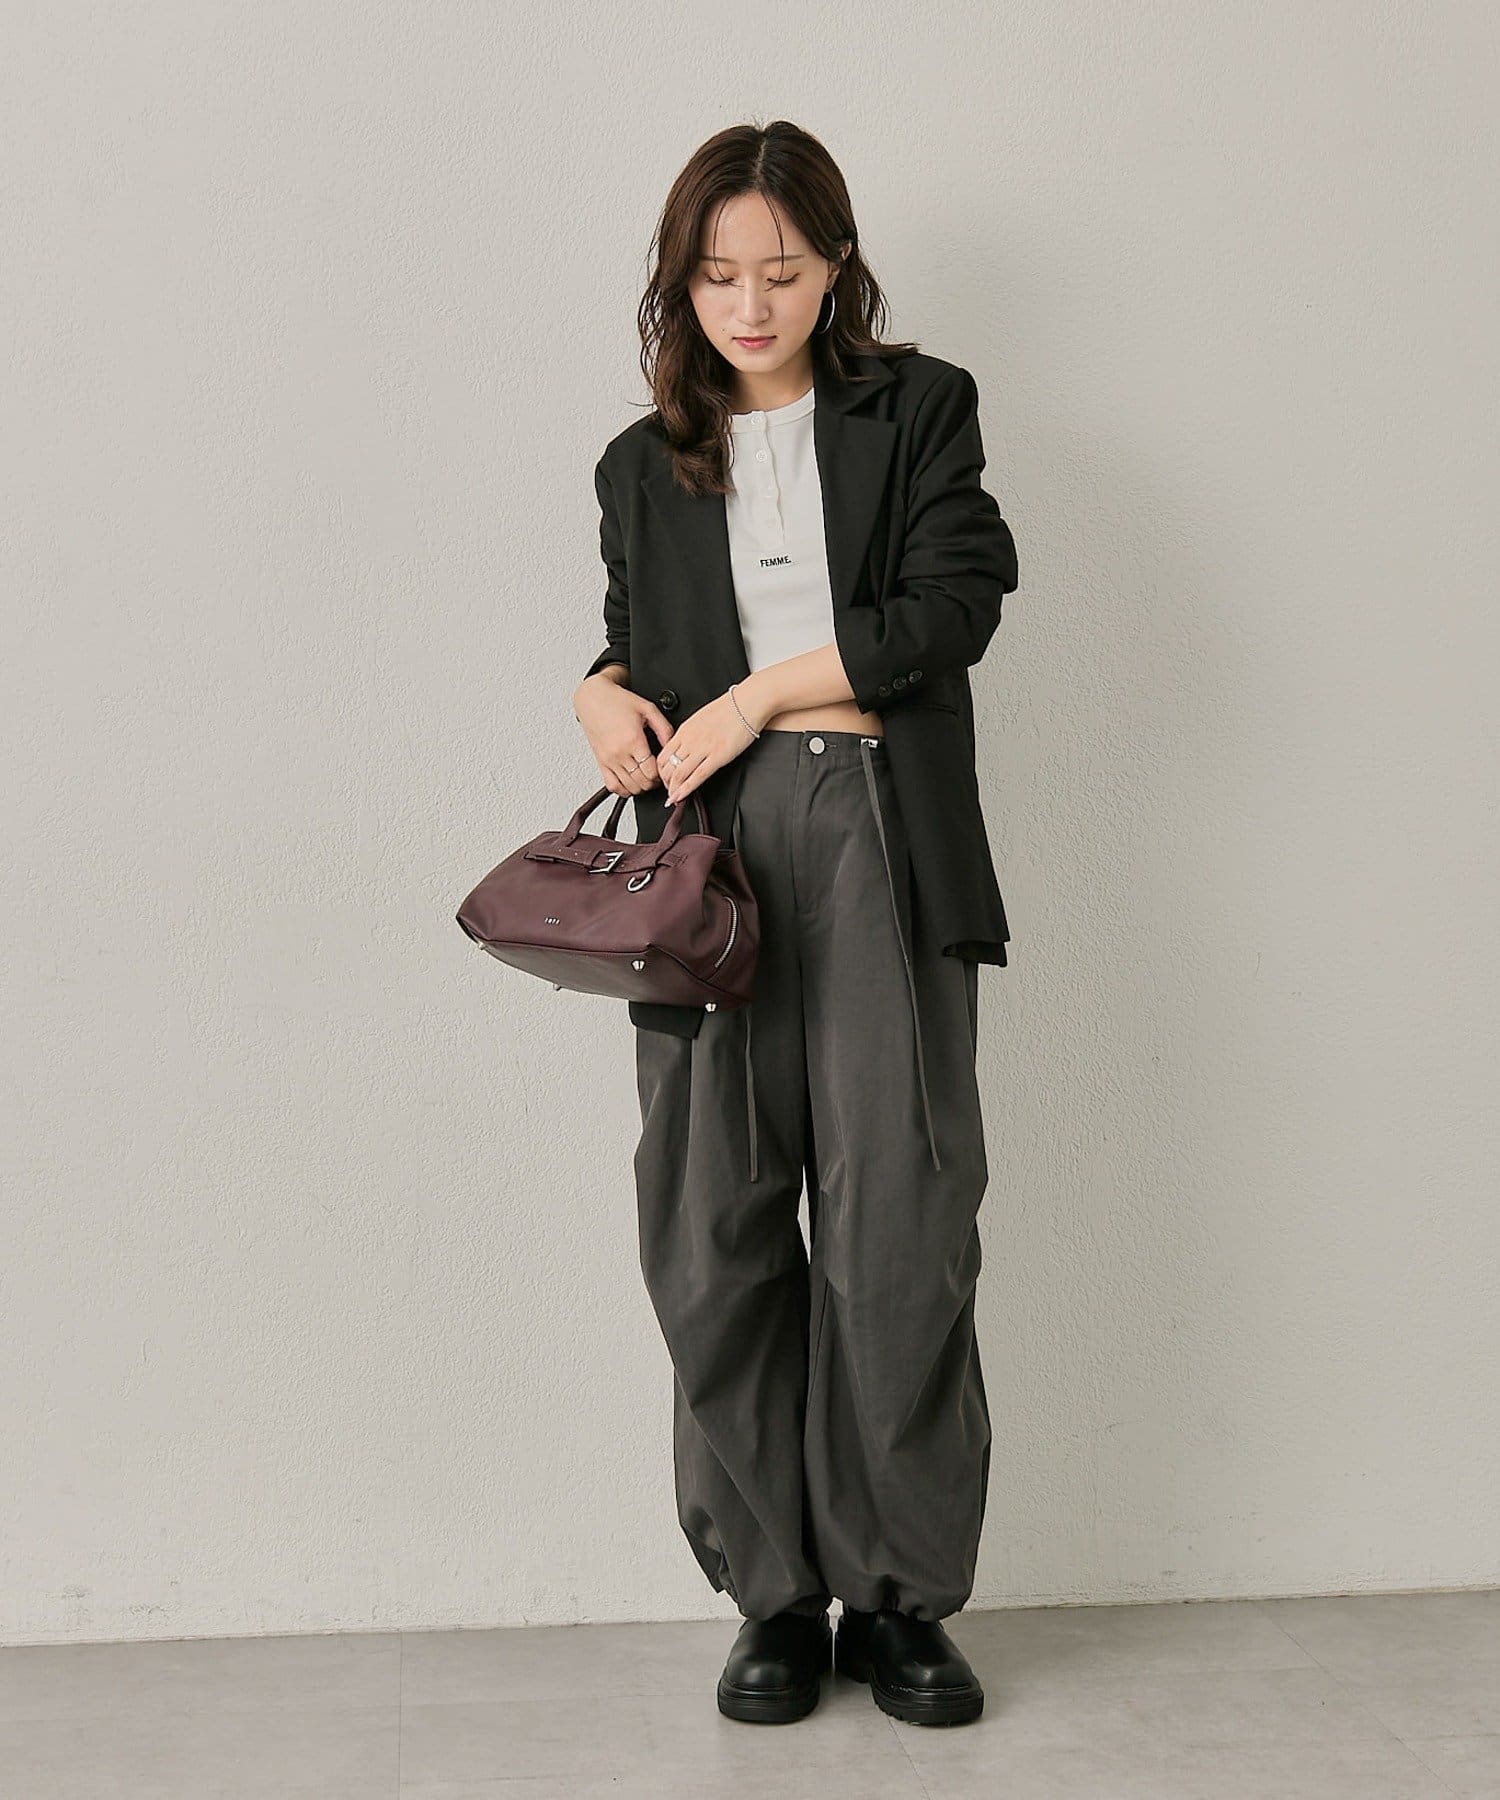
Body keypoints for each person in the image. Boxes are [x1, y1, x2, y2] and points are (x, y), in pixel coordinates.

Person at [572, 120, 1019, 1729]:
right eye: (716, 276)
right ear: (679, 283)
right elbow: (638, 638)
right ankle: (773, 1593)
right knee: (713, 1227)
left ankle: (900, 1598)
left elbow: (954, 604)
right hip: (709, 862)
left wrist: (764, 694)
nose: (749, 305)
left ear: (837, 267)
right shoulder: (641, 461)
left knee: (898, 1224)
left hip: (877, 827)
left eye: (780, 270)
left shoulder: (920, 408)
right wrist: (598, 693)